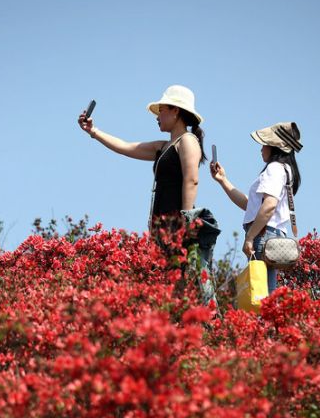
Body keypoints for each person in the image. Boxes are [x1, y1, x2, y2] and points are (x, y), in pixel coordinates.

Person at [78, 85, 220, 304]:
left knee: (177, 289)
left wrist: (185, 223)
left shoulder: (188, 141)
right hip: (161, 229)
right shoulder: (163, 147)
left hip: (176, 228)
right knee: (163, 290)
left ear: (176, 111)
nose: (157, 116)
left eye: (162, 110)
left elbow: (192, 180)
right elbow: (126, 146)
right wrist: (93, 132)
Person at [210, 122, 302, 294]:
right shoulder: (285, 170)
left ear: (275, 147)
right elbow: (250, 205)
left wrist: (250, 236)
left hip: (263, 234)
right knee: (265, 290)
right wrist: (223, 180)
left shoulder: (274, 169)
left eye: (264, 144)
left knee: (260, 294)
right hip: (272, 235)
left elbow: (269, 206)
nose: (261, 148)